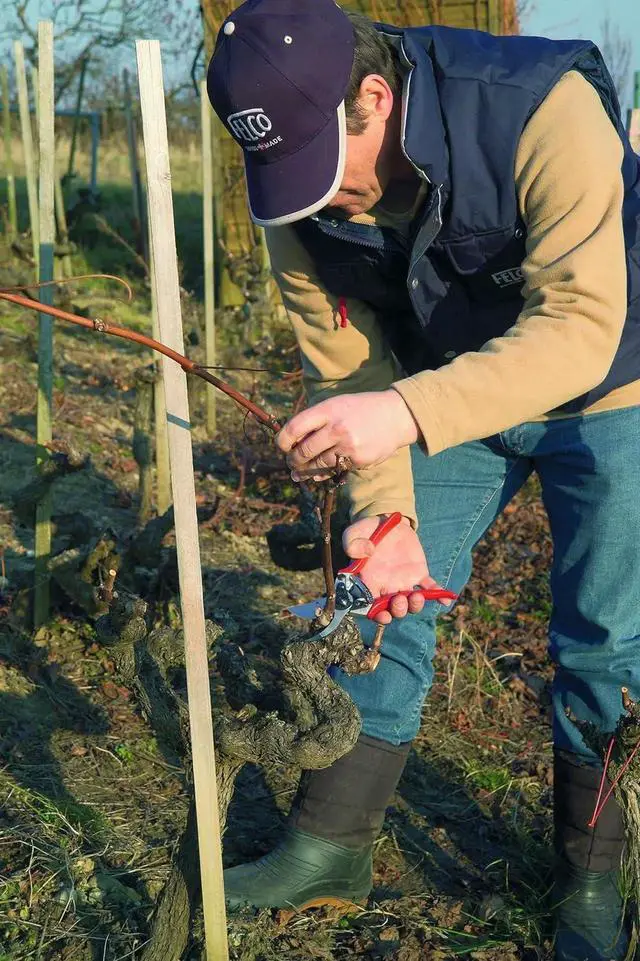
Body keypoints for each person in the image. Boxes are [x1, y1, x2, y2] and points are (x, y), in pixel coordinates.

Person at [207, 2, 640, 958]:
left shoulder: (538, 106)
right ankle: (329, 845)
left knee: (605, 641)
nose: (314, 199)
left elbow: (578, 327)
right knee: (381, 596)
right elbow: (351, 371)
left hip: (616, 375)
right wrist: (385, 511)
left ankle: (592, 879)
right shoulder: (292, 196)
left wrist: (401, 414)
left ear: (375, 98)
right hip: (440, 384)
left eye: (326, 166)